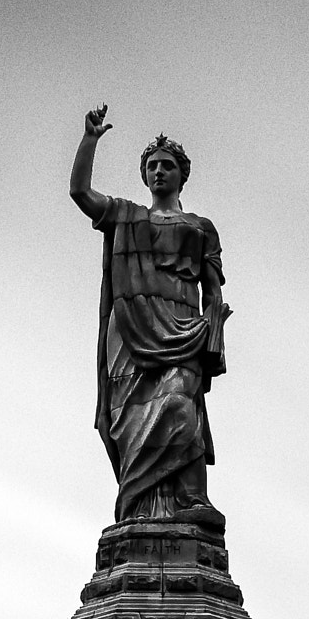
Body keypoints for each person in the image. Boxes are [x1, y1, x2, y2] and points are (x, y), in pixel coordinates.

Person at [69, 103, 228, 529]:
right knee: (134, 418)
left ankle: (192, 500)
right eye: (152, 166)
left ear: (182, 174)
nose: (159, 172)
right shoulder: (125, 215)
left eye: (167, 165)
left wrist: (214, 333)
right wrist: (90, 140)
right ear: (144, 175)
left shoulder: (201, 227)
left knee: (180, 405)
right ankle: (141, 510)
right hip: (130, 333)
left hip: (185, 328)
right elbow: (81, 194)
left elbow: (212, 291)